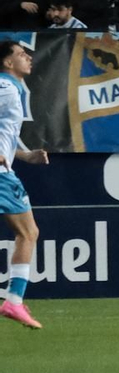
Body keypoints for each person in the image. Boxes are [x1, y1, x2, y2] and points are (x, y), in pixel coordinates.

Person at [0, 40, 48, 329]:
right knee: (28, 233)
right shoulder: (5, 89)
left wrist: (26, 156)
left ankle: (14, 302)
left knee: (28, 232)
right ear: (7, 63)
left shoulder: (11, 89)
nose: (28, 57)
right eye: (20, 54)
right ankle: (13, 302)